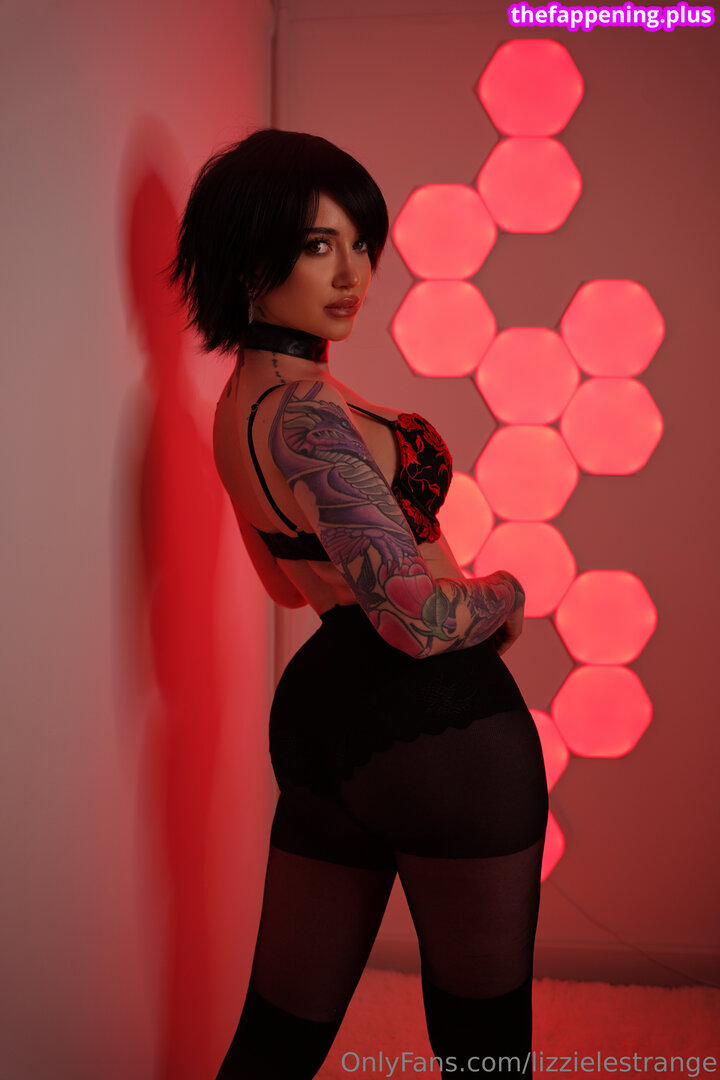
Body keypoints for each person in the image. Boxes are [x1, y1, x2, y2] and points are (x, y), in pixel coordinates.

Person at [168, 128, 549, 1079]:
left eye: (360, 244)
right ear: (248, 259)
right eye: (317, 246)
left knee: (276, 1038)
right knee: (486, 1048)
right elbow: (415, 620)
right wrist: (505, 591)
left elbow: (282, 581)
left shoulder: (238, 408)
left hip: (322, 715)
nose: (353, 275)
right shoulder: (307, 414)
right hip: (436, 721)